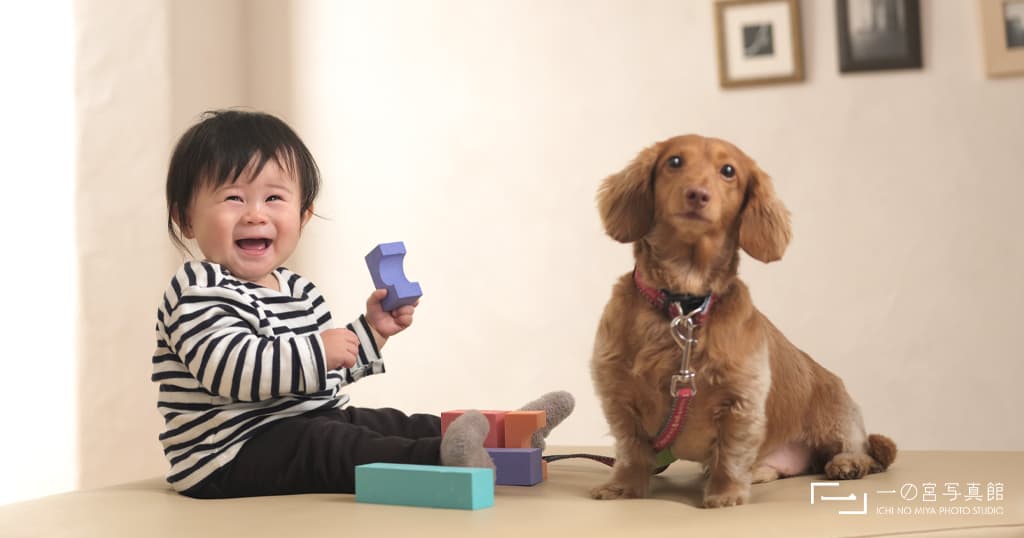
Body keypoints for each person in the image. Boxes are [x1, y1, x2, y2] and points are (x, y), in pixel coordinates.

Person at [153, 109, 574, 498]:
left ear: (303, 215)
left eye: (274, 199)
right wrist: (319, 351)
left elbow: (322, 378)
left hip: (304, 424)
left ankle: (509, 437)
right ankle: (444, 459)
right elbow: (230, 371)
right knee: (335, 446)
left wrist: (370, 332)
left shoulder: (300, 291)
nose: (255, 215)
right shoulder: (197, 288)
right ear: (185, 218)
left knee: (388, 422)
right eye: (233, 198)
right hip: (229, 453)